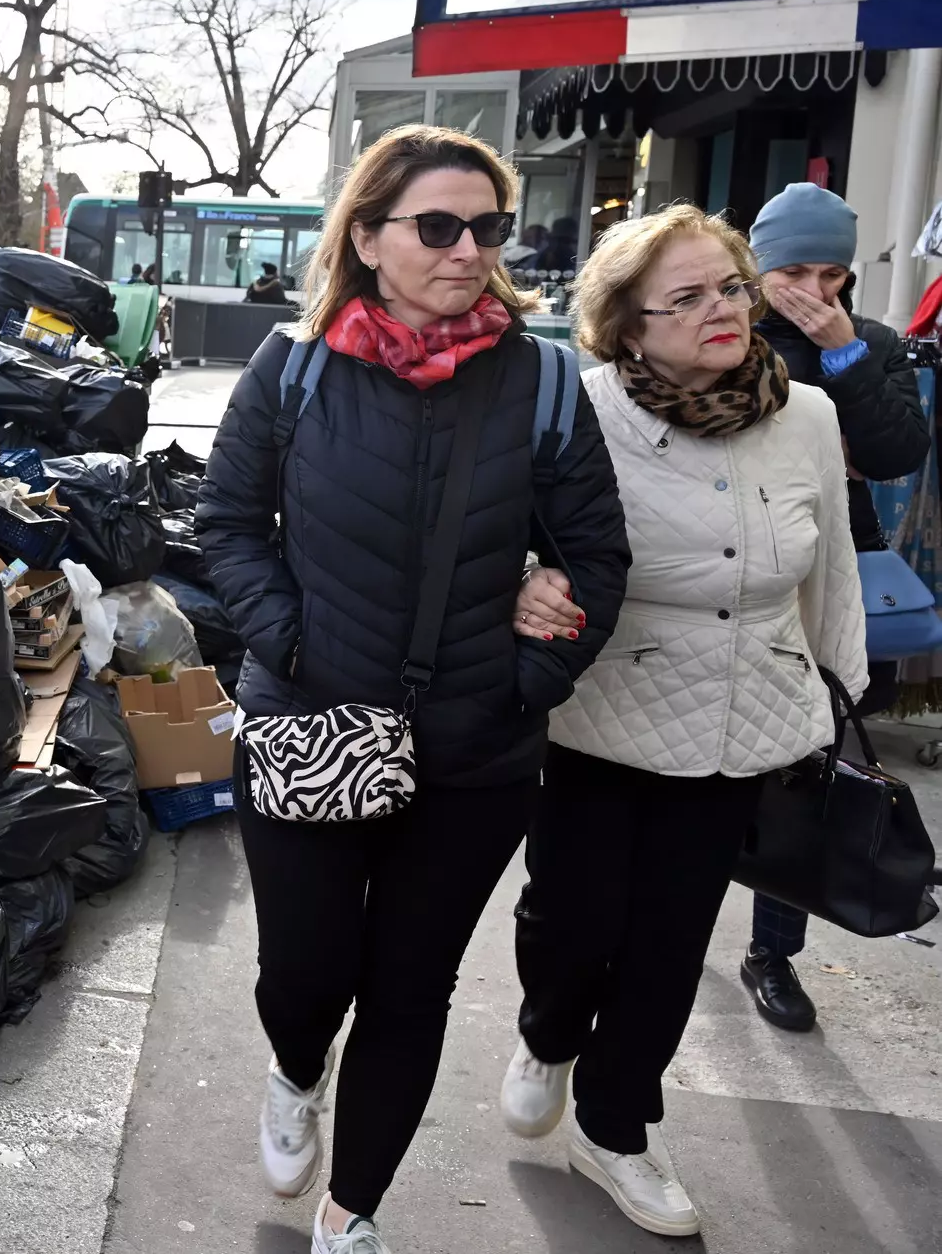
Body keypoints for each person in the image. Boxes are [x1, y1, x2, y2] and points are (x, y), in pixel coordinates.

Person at [196, 124, 630, 1254]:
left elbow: (597, 554)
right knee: (305, 972)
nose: (467, 250)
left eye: (488, 228)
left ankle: (354, 1212)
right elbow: (227, 526)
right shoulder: (290, 368)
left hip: (477, 750)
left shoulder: (539, 379)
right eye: (438, 226)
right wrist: (289, 642)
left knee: (409, 985)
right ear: (368, 236)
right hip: (311, 722)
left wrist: (525, 676)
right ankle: (296, 1069)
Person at [505, 204, 866, 1239]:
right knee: (572, 919)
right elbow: (511, 546)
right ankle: (545, 1036)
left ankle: (615, 1126)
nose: (723, 310)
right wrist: (525, 590)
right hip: (604, 705)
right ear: (626, 323)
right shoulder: (576, 413)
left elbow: (830, 572)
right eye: (690, 296)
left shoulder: (806, 416)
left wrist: (836, 710)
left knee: (669, 938)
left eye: (730, 287)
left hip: (745, 715)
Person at [733, 183, 931, 1030]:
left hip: (831, 574)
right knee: (712, 764)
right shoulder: (719, 326)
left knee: (809, 769)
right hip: (731, 566)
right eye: (794, 270)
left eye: (833, 273)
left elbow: (893, 453)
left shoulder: (869, 344)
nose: (813, 290)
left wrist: (845, 351)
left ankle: (771, 952)